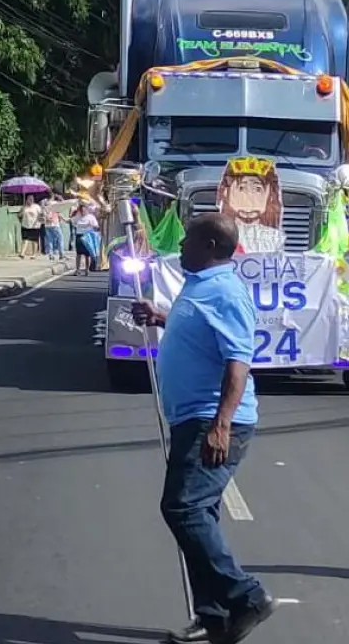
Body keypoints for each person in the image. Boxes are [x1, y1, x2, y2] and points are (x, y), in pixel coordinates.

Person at [131, 213, 277, 644]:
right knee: (200, 513)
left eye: (188, 240)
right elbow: (199, 335)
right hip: (188, 417)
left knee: (183, 509)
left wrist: (221, 425)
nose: (180, 246)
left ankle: (246, 596)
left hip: (210, 419)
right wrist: (160, 317)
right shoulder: (199, 286)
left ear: (211, 245)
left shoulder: (227, 293)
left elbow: (238, 361)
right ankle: (213, 617)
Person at [70, 201, 100, 277]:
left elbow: (96, 226)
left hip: (87, 237)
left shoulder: (91, 217)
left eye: (84, 210)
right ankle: (77, 270)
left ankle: (87, 270)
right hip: (79, 236)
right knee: (78, 254)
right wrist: (61, 217)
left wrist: (92, 226)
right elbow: (70, 221)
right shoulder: (77, 216)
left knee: (87, 254)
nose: (82, 212)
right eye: (81, 210)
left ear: (86, 210)